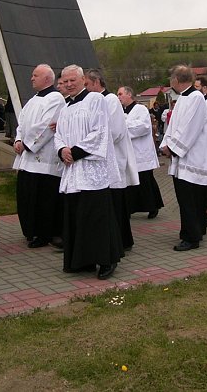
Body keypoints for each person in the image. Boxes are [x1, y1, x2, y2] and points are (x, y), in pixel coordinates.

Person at [54, 65, 123, 279]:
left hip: (92, 170)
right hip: (73, 170)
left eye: (72, 80)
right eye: (65, 81)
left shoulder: (95, 99)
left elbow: (100, 132)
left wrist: (74, 152)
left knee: (96, 217)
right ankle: (82, 260)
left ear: (83, 79)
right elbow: (58, 135)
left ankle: (107, 260)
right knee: (77, 216)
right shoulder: (65, 107)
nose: (68, 85)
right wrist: (61, 150)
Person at [160, 65, 207, 251]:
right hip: (183, 157)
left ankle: (191, 238)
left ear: (176, 80)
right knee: (189, 199)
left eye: (171, 78)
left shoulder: (195, 98)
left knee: (189, 200)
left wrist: (172, 148)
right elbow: (173, 126)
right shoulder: (183, 97)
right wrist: (165, 145)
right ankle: (200, 225)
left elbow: (189, 128)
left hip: (192, 157)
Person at [84, 69, 138, 251]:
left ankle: (122, 241)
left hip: (111, 158)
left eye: (87, 84)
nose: (85, 88)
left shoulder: (110, 100)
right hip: (97, 158)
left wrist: (91, 143)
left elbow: (115, 132)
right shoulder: (91, 101)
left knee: (116, 204)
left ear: (97, 82)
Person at [13, 64, 65, 249]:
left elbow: (47, 126)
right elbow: (22, 122)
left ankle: (45, 233)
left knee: (44, 199)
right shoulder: (33, 99)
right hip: (27, 159)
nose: (31, 78)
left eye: (35, 75)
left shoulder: (56, 98)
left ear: (47, 79)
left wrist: (27, 144)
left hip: (44, 160)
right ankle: (31, 230)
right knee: (28, 197)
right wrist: (18, 139)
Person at [118, 86, 164, 219]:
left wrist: (123, 127)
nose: (118, 97)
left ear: (129, 94)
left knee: (145, 181)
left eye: (120, 94)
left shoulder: (140, 109)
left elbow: (143, 127)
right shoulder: (120, 111)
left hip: (141, 153)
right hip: (128, 153)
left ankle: (153, 206)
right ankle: (130, 208)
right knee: (130, 182)